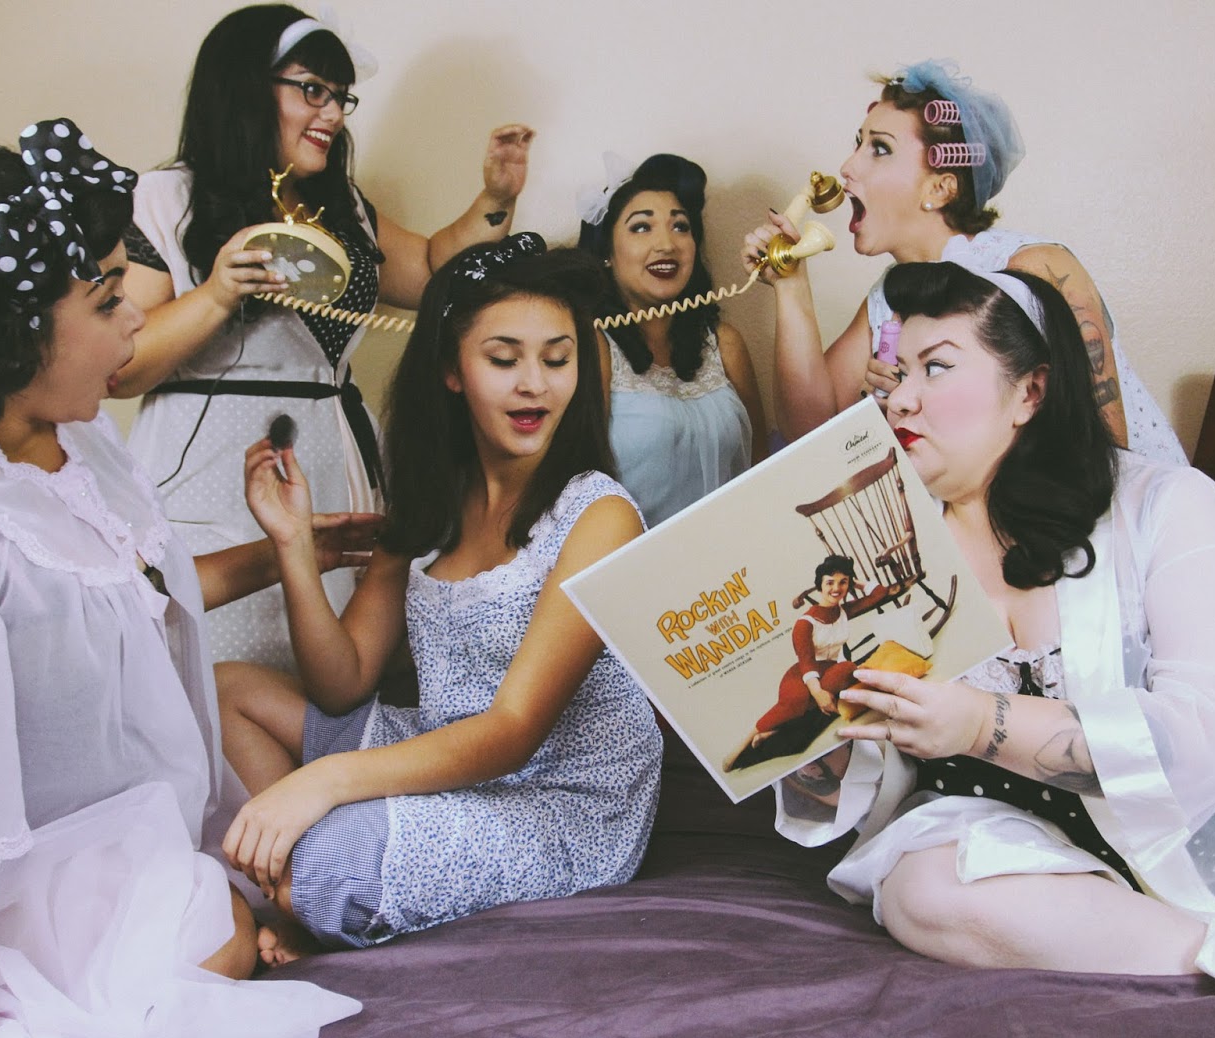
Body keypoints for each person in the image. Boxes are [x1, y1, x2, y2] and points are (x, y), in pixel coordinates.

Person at [0, 121, 372, 1038]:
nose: (137, 321)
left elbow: (116, 595)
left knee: (220, 912)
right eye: (107, 299)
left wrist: (285, 553)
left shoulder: (66, 434)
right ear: (10, 334)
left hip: (87, 849)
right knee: (213, 932)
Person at [774, 260, 1215, 1025]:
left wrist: (979, 722)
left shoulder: (1168, 505)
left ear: (1030, 392)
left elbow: (1212, 734)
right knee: (920, 887)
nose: (900, 397)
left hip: (1201, 849)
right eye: (899, 371)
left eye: (935, 367)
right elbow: (867, 782)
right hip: (1013, 850)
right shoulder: (882, 554)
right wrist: (822, 739)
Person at [217, 235, 663, 962]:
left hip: (559, 801)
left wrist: (325, 783)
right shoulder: (434, 502)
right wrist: (293, 547)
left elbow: (514, 730)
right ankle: (299, 883)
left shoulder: (599, 514)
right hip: (443, 748)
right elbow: (342, 681)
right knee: (229, 690)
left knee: (322, 854)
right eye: (503, 359)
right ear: (453, 370)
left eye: (557, 359)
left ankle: (301, 890)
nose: (535, 385)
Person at [118, 4, 536, 668]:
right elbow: (123, 363)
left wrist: (495, 198)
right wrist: (217, 293)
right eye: (313, 90)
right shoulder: (165, 199)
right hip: (211, 473)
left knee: (328, 670)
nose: (334, 114)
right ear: (245, 88)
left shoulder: (343, 207)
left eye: (341, 96)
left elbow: (432, 270)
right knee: (220, 675)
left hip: (333, 463)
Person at [743, 59, 1187, 465]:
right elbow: (809, 430)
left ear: (939, 189)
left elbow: (1107, 450)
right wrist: (791, 285)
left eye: (879, 149)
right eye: (858, 144)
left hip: (1108, 509)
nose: (847, 167)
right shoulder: (888, 298)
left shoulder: (1039, 269)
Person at [577, 153, 767, 526]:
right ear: (606, 253)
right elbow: (580, 485)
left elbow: (762, 464)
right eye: (641, 227)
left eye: (680, 226)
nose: (667, 244)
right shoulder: (594, 345)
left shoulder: (724, 343)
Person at [724, 554, 886, 771]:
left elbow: (880, 593)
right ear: (820, 585)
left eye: (843, 582)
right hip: (802, 674)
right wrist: (817, 692)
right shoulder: (804, 623)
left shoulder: (843, 611)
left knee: (847, 669)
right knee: (797, 701)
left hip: (829, 670)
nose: (836, 588)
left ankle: (771, 734)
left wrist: (855, 581)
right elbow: (806, 663)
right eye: (830, 582)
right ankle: (742, 745)